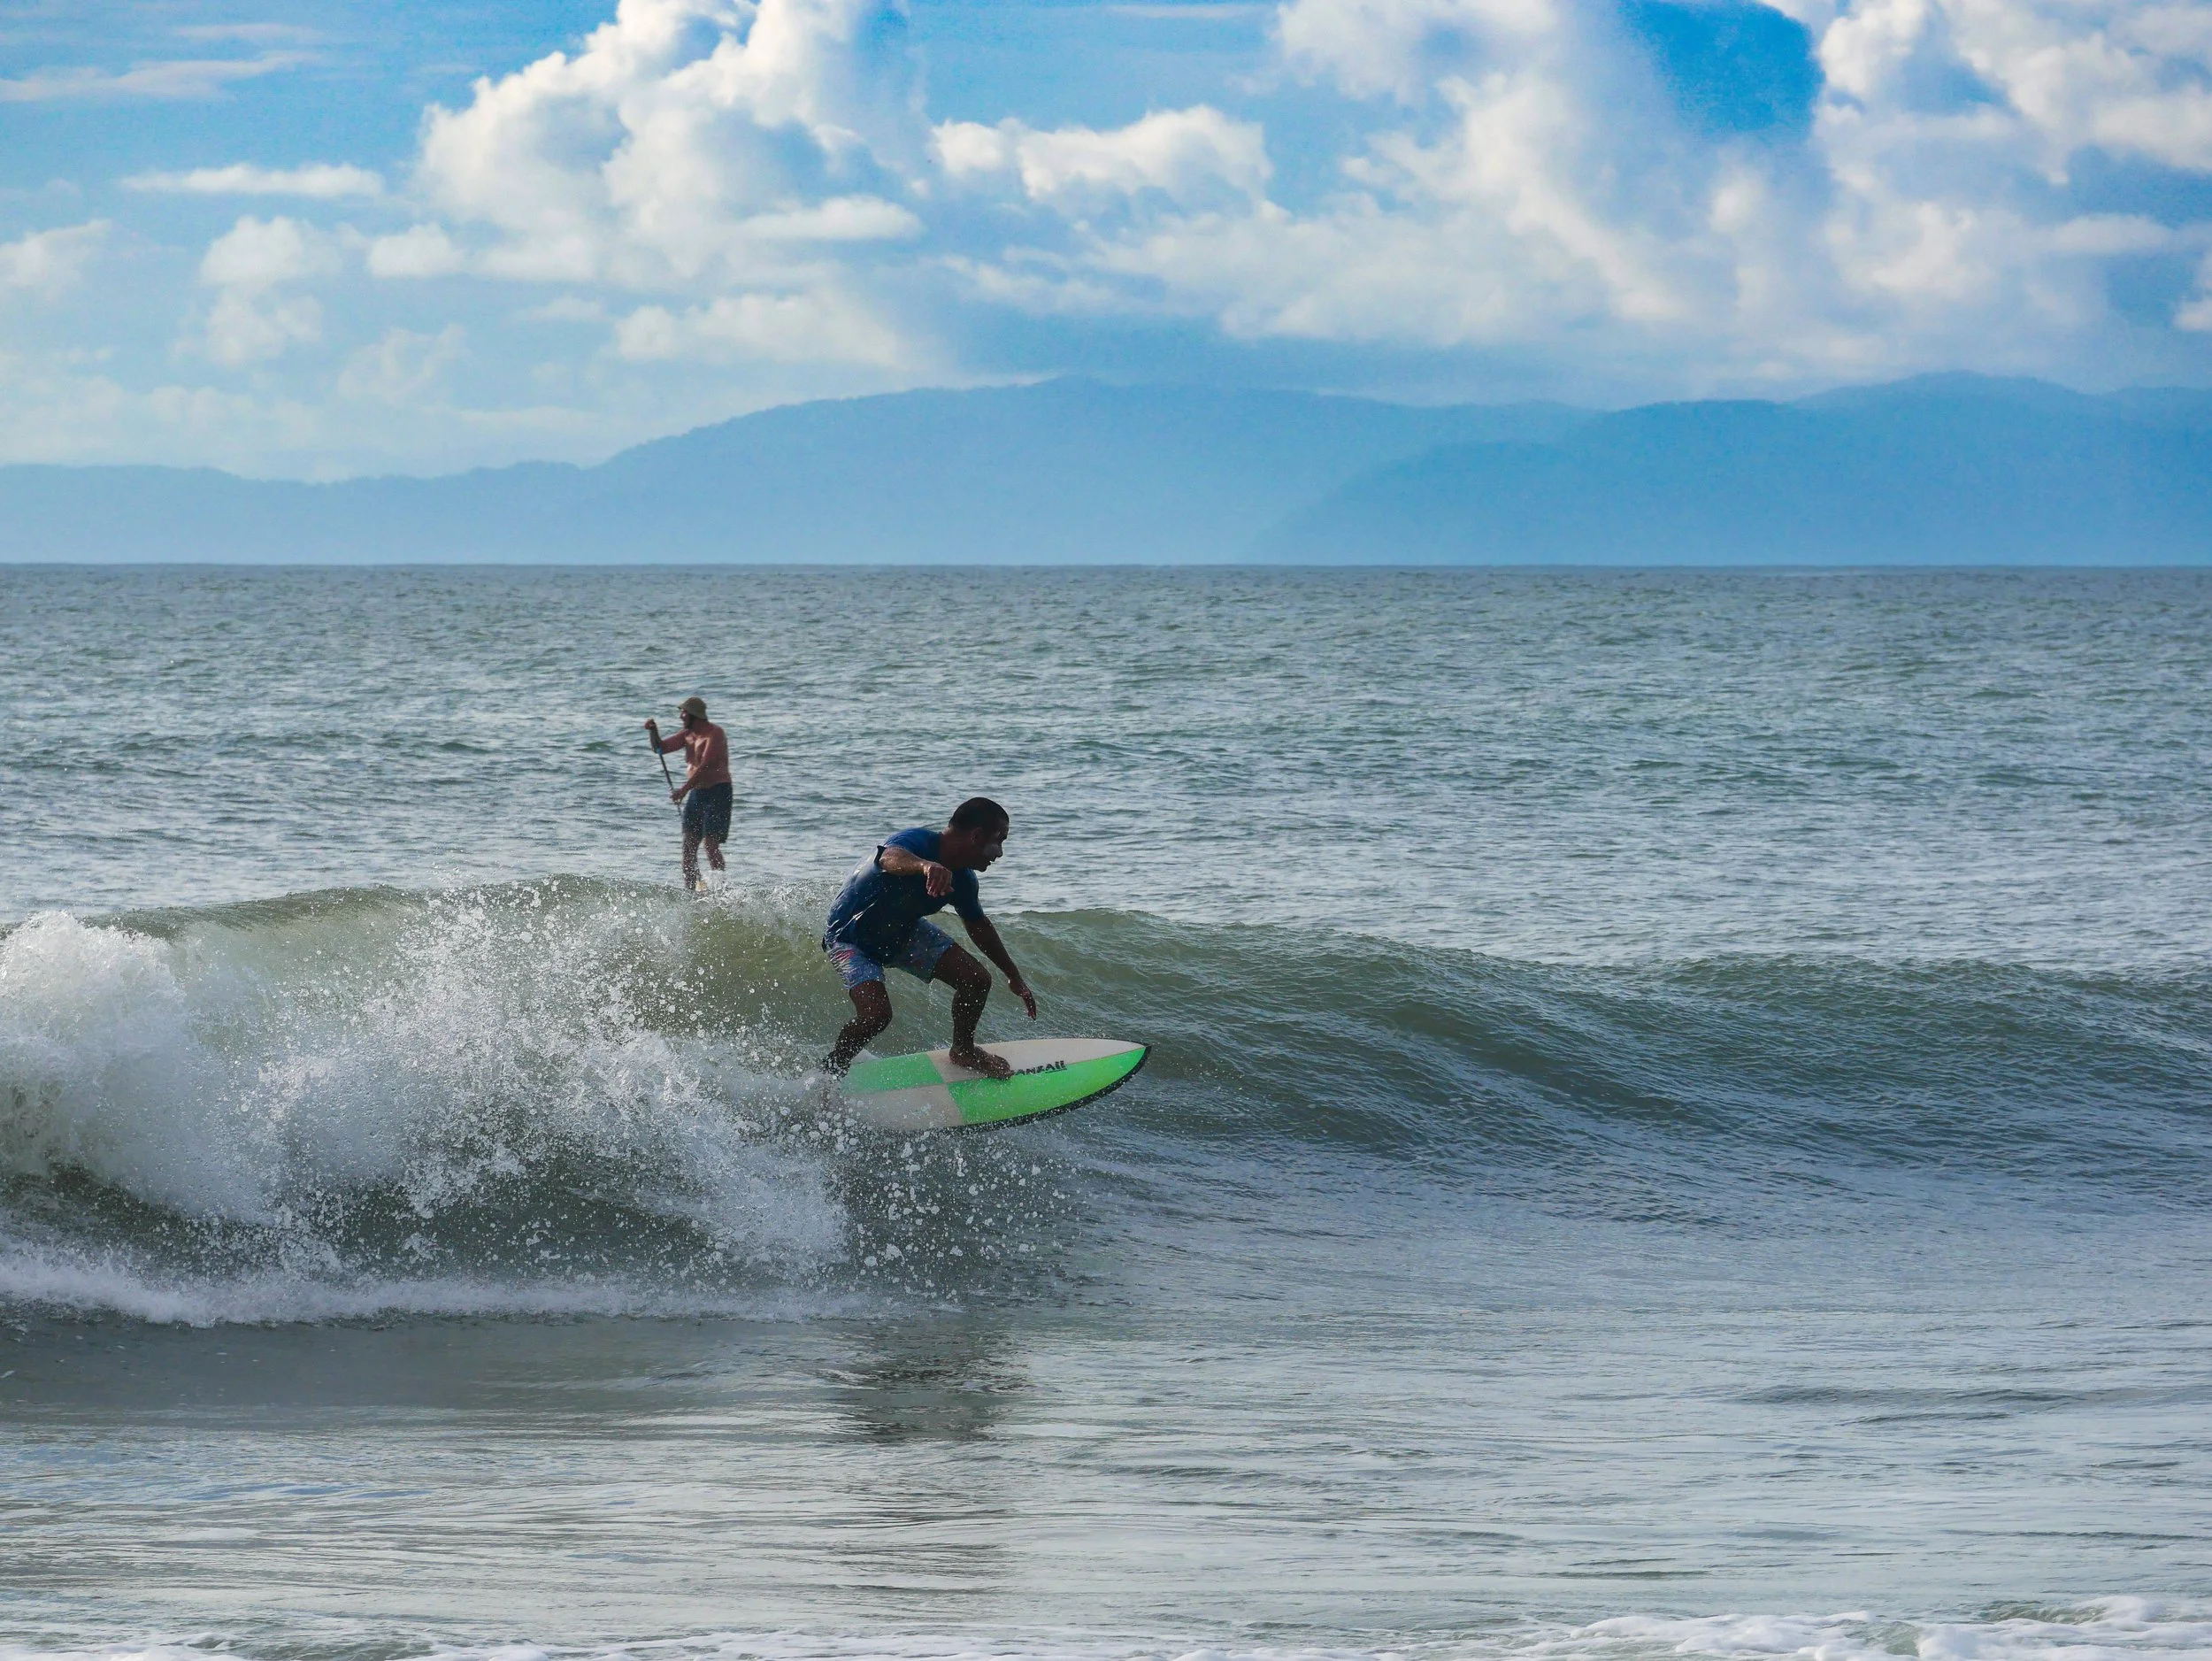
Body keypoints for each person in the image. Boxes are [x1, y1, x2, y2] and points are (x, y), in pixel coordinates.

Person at [822, 797, 1037, 1080]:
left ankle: (963, 1050)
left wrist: (1013, 975)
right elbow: (888, 857)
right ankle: (831, 1072)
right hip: (850, 937)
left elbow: (979, 925)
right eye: (1000, 841)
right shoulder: (918, 841)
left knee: (976, 980)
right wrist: (924, 866)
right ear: (976, 836)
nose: (999, 853)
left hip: (902, 932)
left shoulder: (964, 881)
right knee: (876, 1016)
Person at [644, 696, 731, 892]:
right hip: (697, 793)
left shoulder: (715, 734)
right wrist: (653, 732)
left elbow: (706, 766)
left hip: (718, 792)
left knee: (710, 844)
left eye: (684, 713)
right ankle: (691, 891)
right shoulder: (687, 735)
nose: (681, 717)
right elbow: (660, 748)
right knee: (688, 848)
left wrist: (683, 790)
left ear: (695, 716)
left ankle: (721, 890)